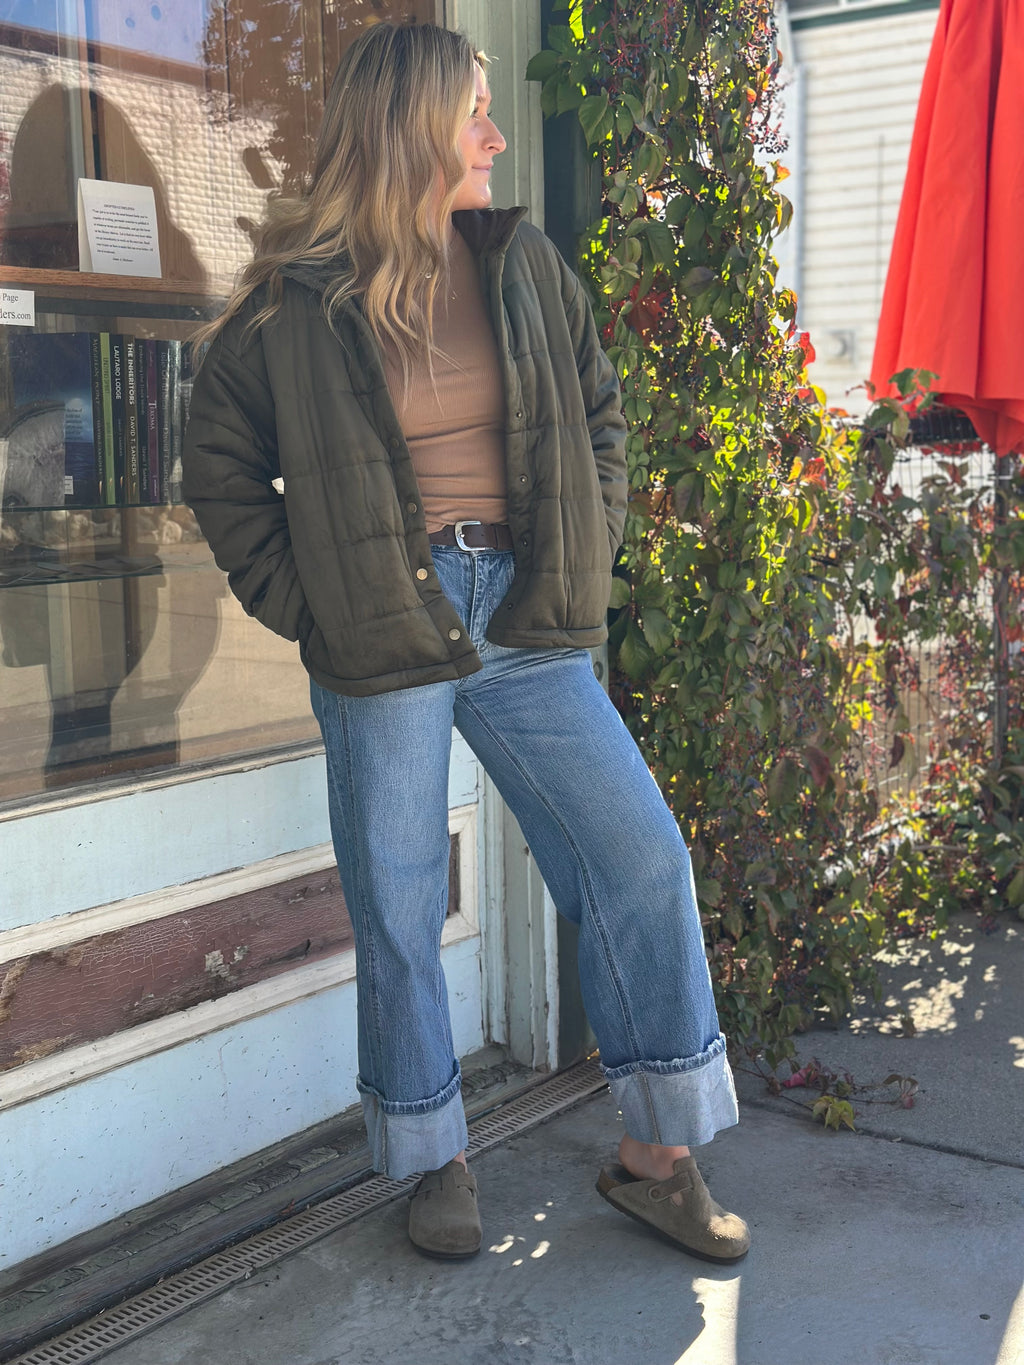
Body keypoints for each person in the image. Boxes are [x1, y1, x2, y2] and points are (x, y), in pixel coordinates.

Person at [182, 21, 748, 1264]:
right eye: (473, 112)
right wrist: (309, 599)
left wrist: (581, 549)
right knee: (396, 898)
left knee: (638, 857)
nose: (495, 135)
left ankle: (657, 1151)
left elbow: (595, 411)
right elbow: (217, 464)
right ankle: (431, 1157)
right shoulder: (297, 299)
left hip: (528, 614)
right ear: (409, 128)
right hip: (382, 618)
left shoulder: (522, 264)